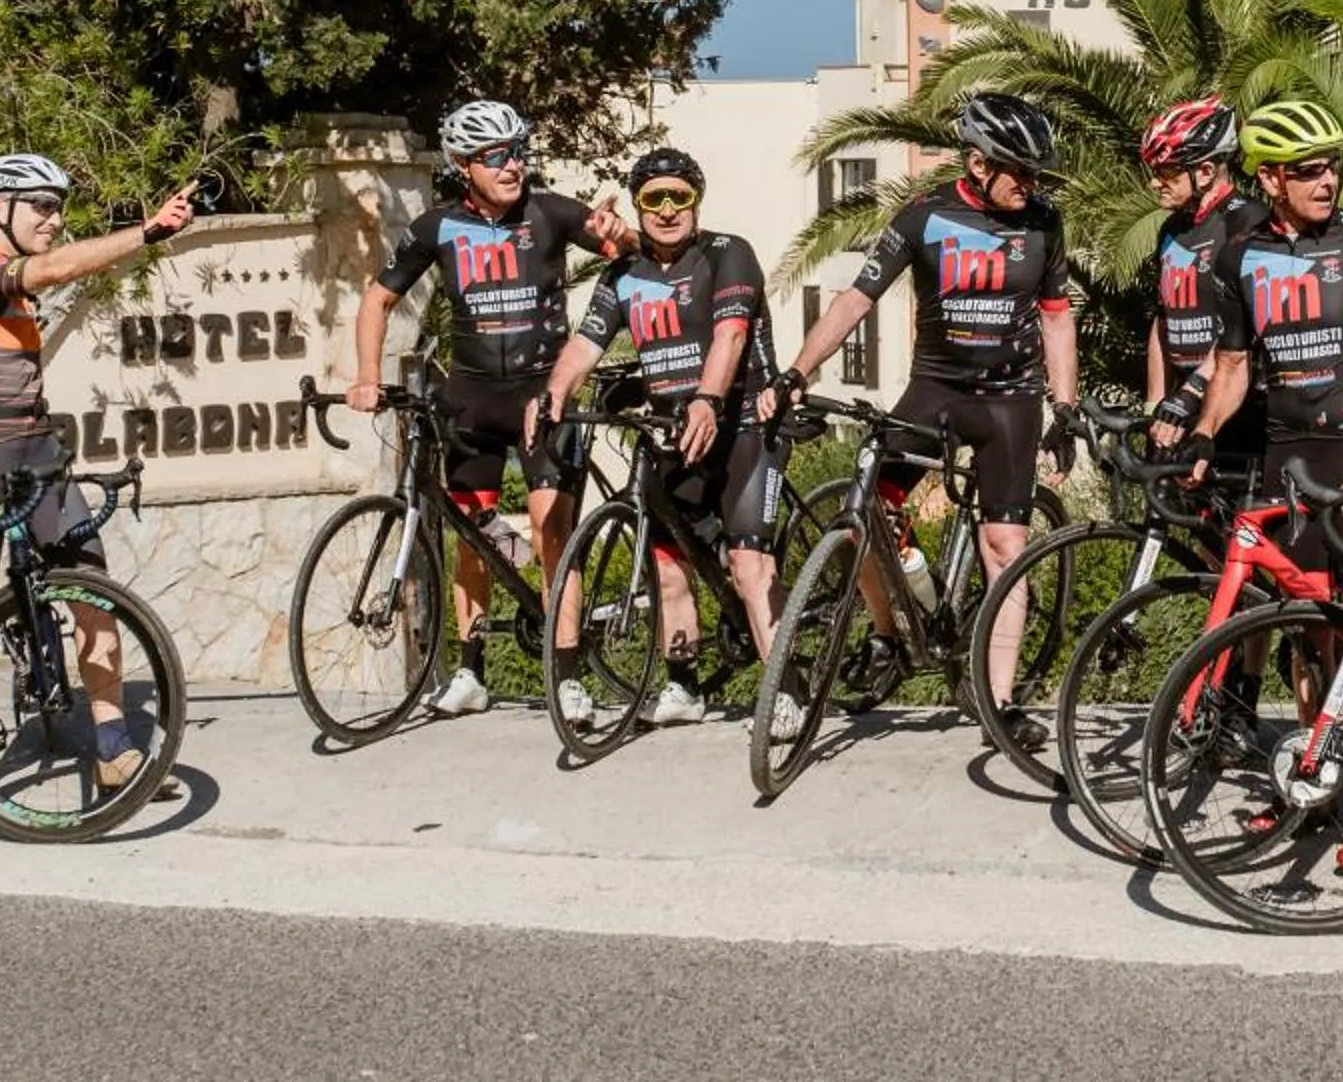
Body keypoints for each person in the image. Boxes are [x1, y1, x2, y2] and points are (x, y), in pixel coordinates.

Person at [771, 92, 1078, 750]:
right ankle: (889, 634)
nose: (1031, 185)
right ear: (977, 162)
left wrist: (1066, 405)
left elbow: (1056, 315)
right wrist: (798, 372)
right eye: (1018, 171)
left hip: (1010, 399)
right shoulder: (923, 217)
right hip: (935, 389)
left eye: (1036, 174)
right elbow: (857, 298)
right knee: (865, 511)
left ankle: (997, 703)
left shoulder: (1045, 223)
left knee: (1006, 549)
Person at [1181, 98, 1343, 876]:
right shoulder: (1237, 259)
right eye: (1309, 170)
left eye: (1334, 166)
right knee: (1305, 631)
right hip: (1290, 460)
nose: (1328, 180)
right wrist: (1200, 436)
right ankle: (1311, 783)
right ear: (1271, 179)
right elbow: (1230, 369)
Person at [0, 154, 198, 833]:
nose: (53, 216)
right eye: (38, 204)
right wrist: (149, 232)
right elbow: (55, 267)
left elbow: (53, 274)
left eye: (57, 205)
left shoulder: (18, 294)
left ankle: (112, 747)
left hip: (38, 454)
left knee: (96, 596)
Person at [347, 99, 632, 718]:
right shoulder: (437, 227)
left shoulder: (551, 211)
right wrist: (367, 377)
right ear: (462, 164)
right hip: (471, 399)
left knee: (552, 530)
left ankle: (568, 672)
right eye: (496, 156)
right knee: (471, 537)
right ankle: (470, 672)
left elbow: (628, 248)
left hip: (542, 396)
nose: (513, 165)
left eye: (519, 151)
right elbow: (376, 301)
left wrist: (618, 232)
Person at [540, 147, 777, 729]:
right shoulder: (622, 276)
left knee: (750, 566)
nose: (668, 210)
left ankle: (785, 692)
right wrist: (555, 393)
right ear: (640, 207)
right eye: (653, 200)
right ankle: (683, 686)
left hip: (742, 420)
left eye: (680, 197)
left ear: (697, 201)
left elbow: (731, 336)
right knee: (667, 562)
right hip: (672, 428)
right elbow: (584, 345)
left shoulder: (728, 253)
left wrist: (708, 398)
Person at [1138, 95, 1266, 488]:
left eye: (1168, 173)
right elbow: (1163, 320)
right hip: (1183, 404)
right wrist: (1155, 405)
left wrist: (1193, 391)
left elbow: (1247, 324)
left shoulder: (1247, 221)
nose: (1155, 182)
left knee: (1238, 541)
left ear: (1207, 171)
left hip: (1240, 409)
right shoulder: (1171, 229)